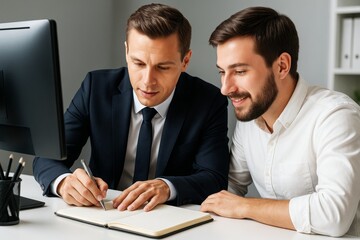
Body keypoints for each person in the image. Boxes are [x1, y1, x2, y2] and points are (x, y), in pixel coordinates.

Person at [33, 3, 229, 212]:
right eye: (138, 63)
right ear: (126, 52)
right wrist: (64, 182)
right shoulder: (95, 88)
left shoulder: (208, 101)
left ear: (185, 60)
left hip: (166, 219)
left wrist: (167, 187)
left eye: (162, 67)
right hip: (102, 214)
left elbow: (214, 178)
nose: (147, 81)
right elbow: (48, 155)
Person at [200, 6, 360, 237]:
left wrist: (245, 206)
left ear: (282, 66)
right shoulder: (251, 115)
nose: (225, 88)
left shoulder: (335, 116)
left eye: (240, 71)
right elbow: (228, 191)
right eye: (222, 72)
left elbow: (334, 215)